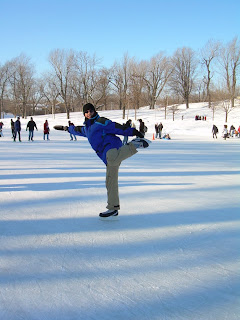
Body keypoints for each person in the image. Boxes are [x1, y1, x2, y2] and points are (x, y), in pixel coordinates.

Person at [54, 103, 150, 219]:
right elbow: (77, 129)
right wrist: (65, 128)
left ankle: (135, 144)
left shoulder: (101, 121)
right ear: (84, 114)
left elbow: (117, 127)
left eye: (91, 111)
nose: (89, 113)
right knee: (110, 181)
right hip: (105, 156)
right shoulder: (87, 129)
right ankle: (113, 207)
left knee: (113, 159)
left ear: (94, 111)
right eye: (86, 112)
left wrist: (134, 132)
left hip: (111, 148)